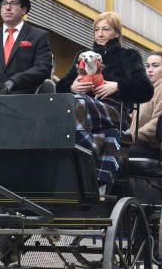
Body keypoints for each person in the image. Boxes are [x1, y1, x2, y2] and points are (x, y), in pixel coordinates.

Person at [55, 12, 151, 185]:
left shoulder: (129, 56)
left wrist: (118, 86)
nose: (99, 34)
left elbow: (146, 90)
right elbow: (60, 88)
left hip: (114, 110)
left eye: (105, 29)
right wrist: (71, 87)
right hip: (82, 109)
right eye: (96, 30)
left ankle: (86, 154)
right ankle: (87, 150)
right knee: (71, 102)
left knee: (79, 102)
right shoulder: (82, 56)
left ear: (116, 33)